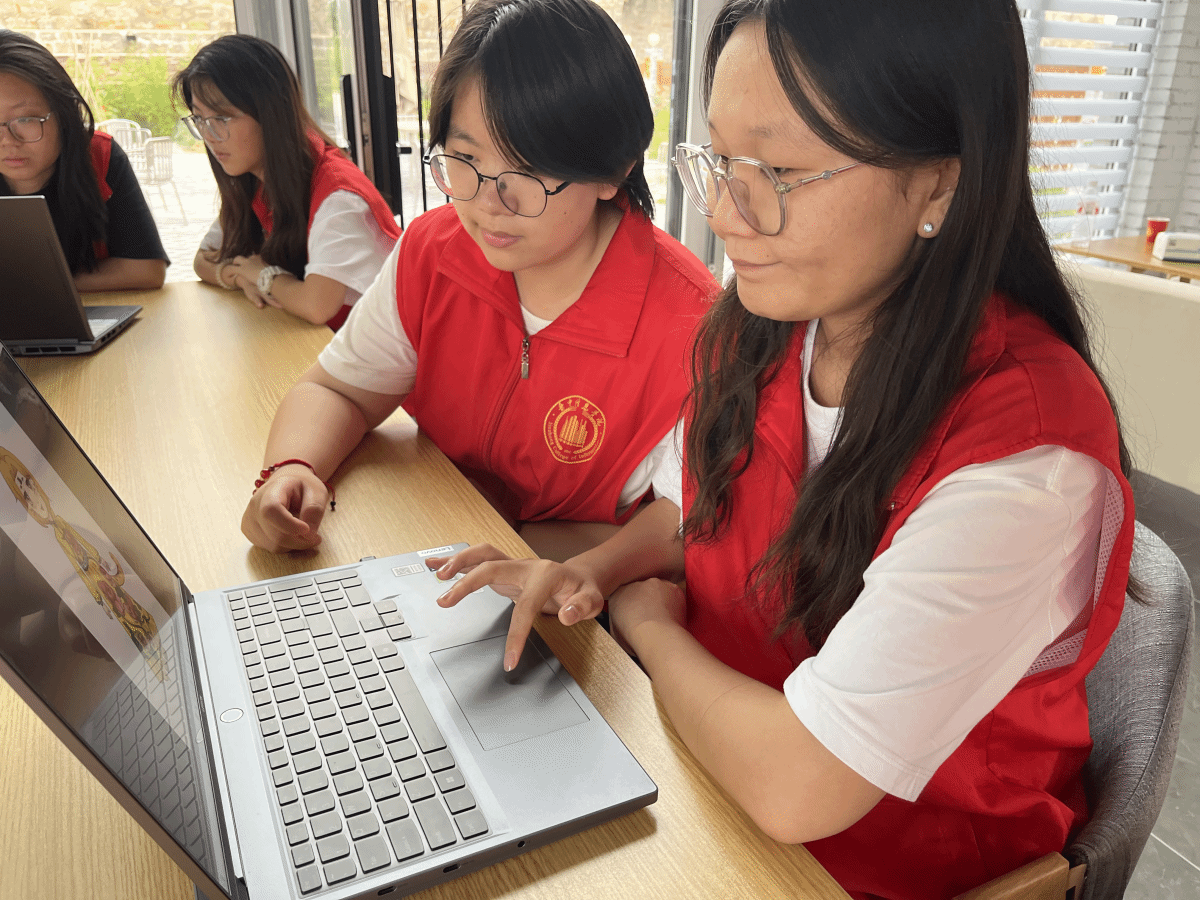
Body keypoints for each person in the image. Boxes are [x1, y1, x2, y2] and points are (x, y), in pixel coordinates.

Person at [430, 1, 1139, 898]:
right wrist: (593, 574)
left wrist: (648, 626)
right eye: (721, 160)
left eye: (780, 172)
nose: (727, 212)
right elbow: (691, 515)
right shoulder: (762, 329)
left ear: (937, 185)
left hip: (871, 870)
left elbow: (799, 783)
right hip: (700, 789)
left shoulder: (1027, 462)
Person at [239, 0, 716, 558]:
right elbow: (337, 389)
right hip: (437, 551)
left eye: (528, 170)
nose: (489, 202)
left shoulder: (694, 326)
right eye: (464, 158)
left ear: (614, 170)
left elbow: (689, 527)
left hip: (580, 590)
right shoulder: (435, 252)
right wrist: (292, 469)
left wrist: (542, 556)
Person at [173, 35, 401, 329]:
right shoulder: (254, 179)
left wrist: (264, 276)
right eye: (199, 119)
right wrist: (240, 277)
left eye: (222, 118)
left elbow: (316, 306)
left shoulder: (339, 195)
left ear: (270, 113)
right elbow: (203, 259)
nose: (209, 135)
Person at [0, 30, 167, 292]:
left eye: (25, 119)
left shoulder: (98, 156)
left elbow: (146, 270)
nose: (8, 141)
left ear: (64, 115)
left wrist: (32, 285)